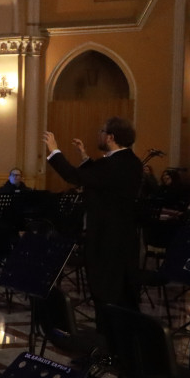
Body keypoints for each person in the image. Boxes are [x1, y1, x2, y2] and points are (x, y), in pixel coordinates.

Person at [44, 118, 142, 320]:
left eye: (102, 131)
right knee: (123, 292)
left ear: (111, 137)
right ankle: (124, 340)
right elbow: (102, 179)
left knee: (106, 291)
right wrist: (85, 156)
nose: (99, 134)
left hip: (106, 237)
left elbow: (75, 177)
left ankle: (108, 341)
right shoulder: (132, 161)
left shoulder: (111, 165)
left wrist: (54, 151)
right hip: (126, 236)